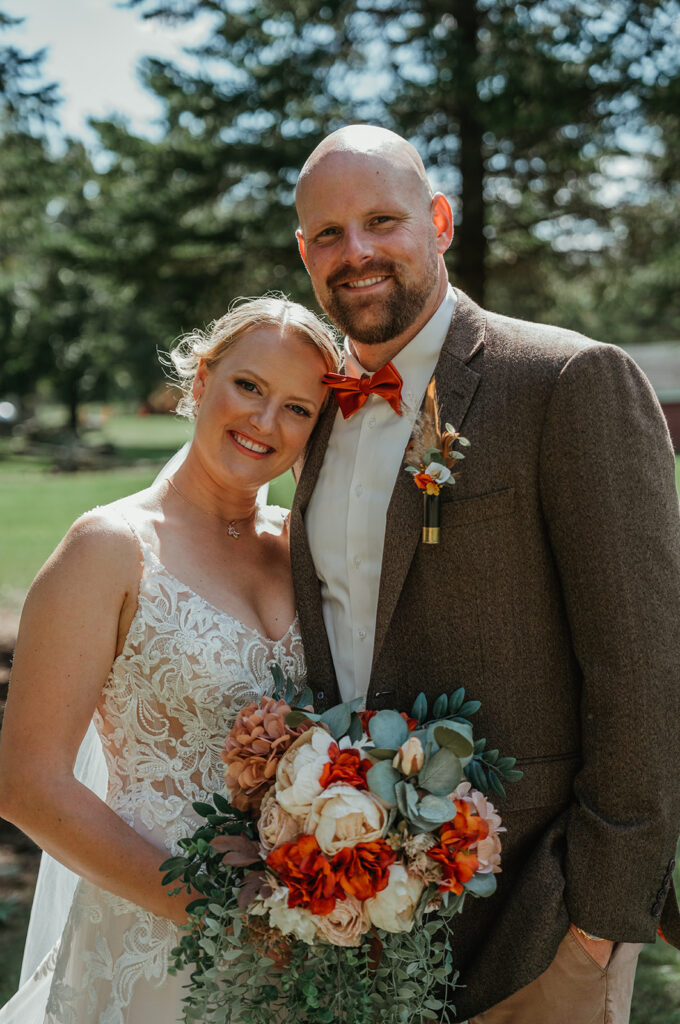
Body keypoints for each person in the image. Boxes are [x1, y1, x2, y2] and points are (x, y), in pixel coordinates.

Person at [289, 124, 680, 1023]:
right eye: (328, 234)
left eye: (382, 220)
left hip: (533, 927)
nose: (357, 253)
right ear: (304, 253)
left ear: (439, 221)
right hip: (350, 912)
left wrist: (597, 926)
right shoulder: (313, 410)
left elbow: (645, 671)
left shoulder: (567, 380)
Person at [0, 295, 339, 1023]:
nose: (263, 422)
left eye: (297, 408)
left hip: (305, 948)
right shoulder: (109, 548)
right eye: (248, 386)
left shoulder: (309, 554)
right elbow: (26, 784)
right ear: (200, 382)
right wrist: (217, 909)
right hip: (152, 949)